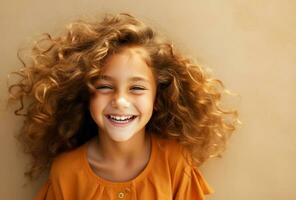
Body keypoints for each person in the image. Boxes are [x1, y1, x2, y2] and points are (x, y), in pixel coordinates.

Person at [7, 13, 239, 199]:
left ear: (158, 98)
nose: (120, 101)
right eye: (105, 87)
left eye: (136, 88)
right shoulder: (66, 172)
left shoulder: (175, 163)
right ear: (87, 94)